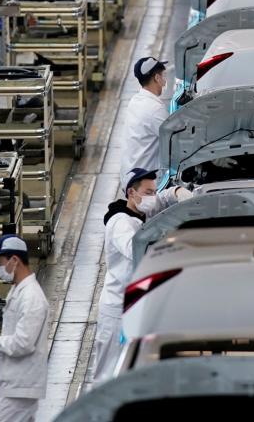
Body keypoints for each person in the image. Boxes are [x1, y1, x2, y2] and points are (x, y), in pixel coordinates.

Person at [91, 168, 193, 381]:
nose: (152, 197)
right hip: (117, 306)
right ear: (131, 193)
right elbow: (135, 248)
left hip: (135, 302)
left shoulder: (140, 209)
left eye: (153, 192)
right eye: (148, 192)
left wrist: (175, 192)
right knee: (107, 371)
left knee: (130, 366)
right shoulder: (120, 222)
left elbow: (160, 201)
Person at [0, 235, 49, 422]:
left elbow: (23, 343)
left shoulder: (31, 297)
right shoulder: (18, 290)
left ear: (14, 260)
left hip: (20, 388)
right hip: (14, 384)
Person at [119, 56, 169, 188]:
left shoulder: (136, 100)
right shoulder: (154, 109)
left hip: (130, 175)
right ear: (157, 78)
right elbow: (175, 139)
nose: (164, 80)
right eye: (163, 76)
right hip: (142, 183)